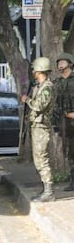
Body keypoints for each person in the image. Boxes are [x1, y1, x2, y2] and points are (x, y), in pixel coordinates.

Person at [21, 57, 55, 202]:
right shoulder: (40, 86)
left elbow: (40, 106)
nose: (33, 71)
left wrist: (27, 100)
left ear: (39, 70)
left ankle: (49, 191)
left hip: (42, 127)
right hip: (37, 126)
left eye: (34, 69)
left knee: (42, 159)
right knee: (38, 159)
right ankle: (46, 189)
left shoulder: (47, 88)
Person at [53, 52, 74, 191]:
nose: (60, 64)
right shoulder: (57, 83)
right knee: (70, 152)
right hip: (65, 123)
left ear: (70, 64)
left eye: (63, 62)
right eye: (58, 62)